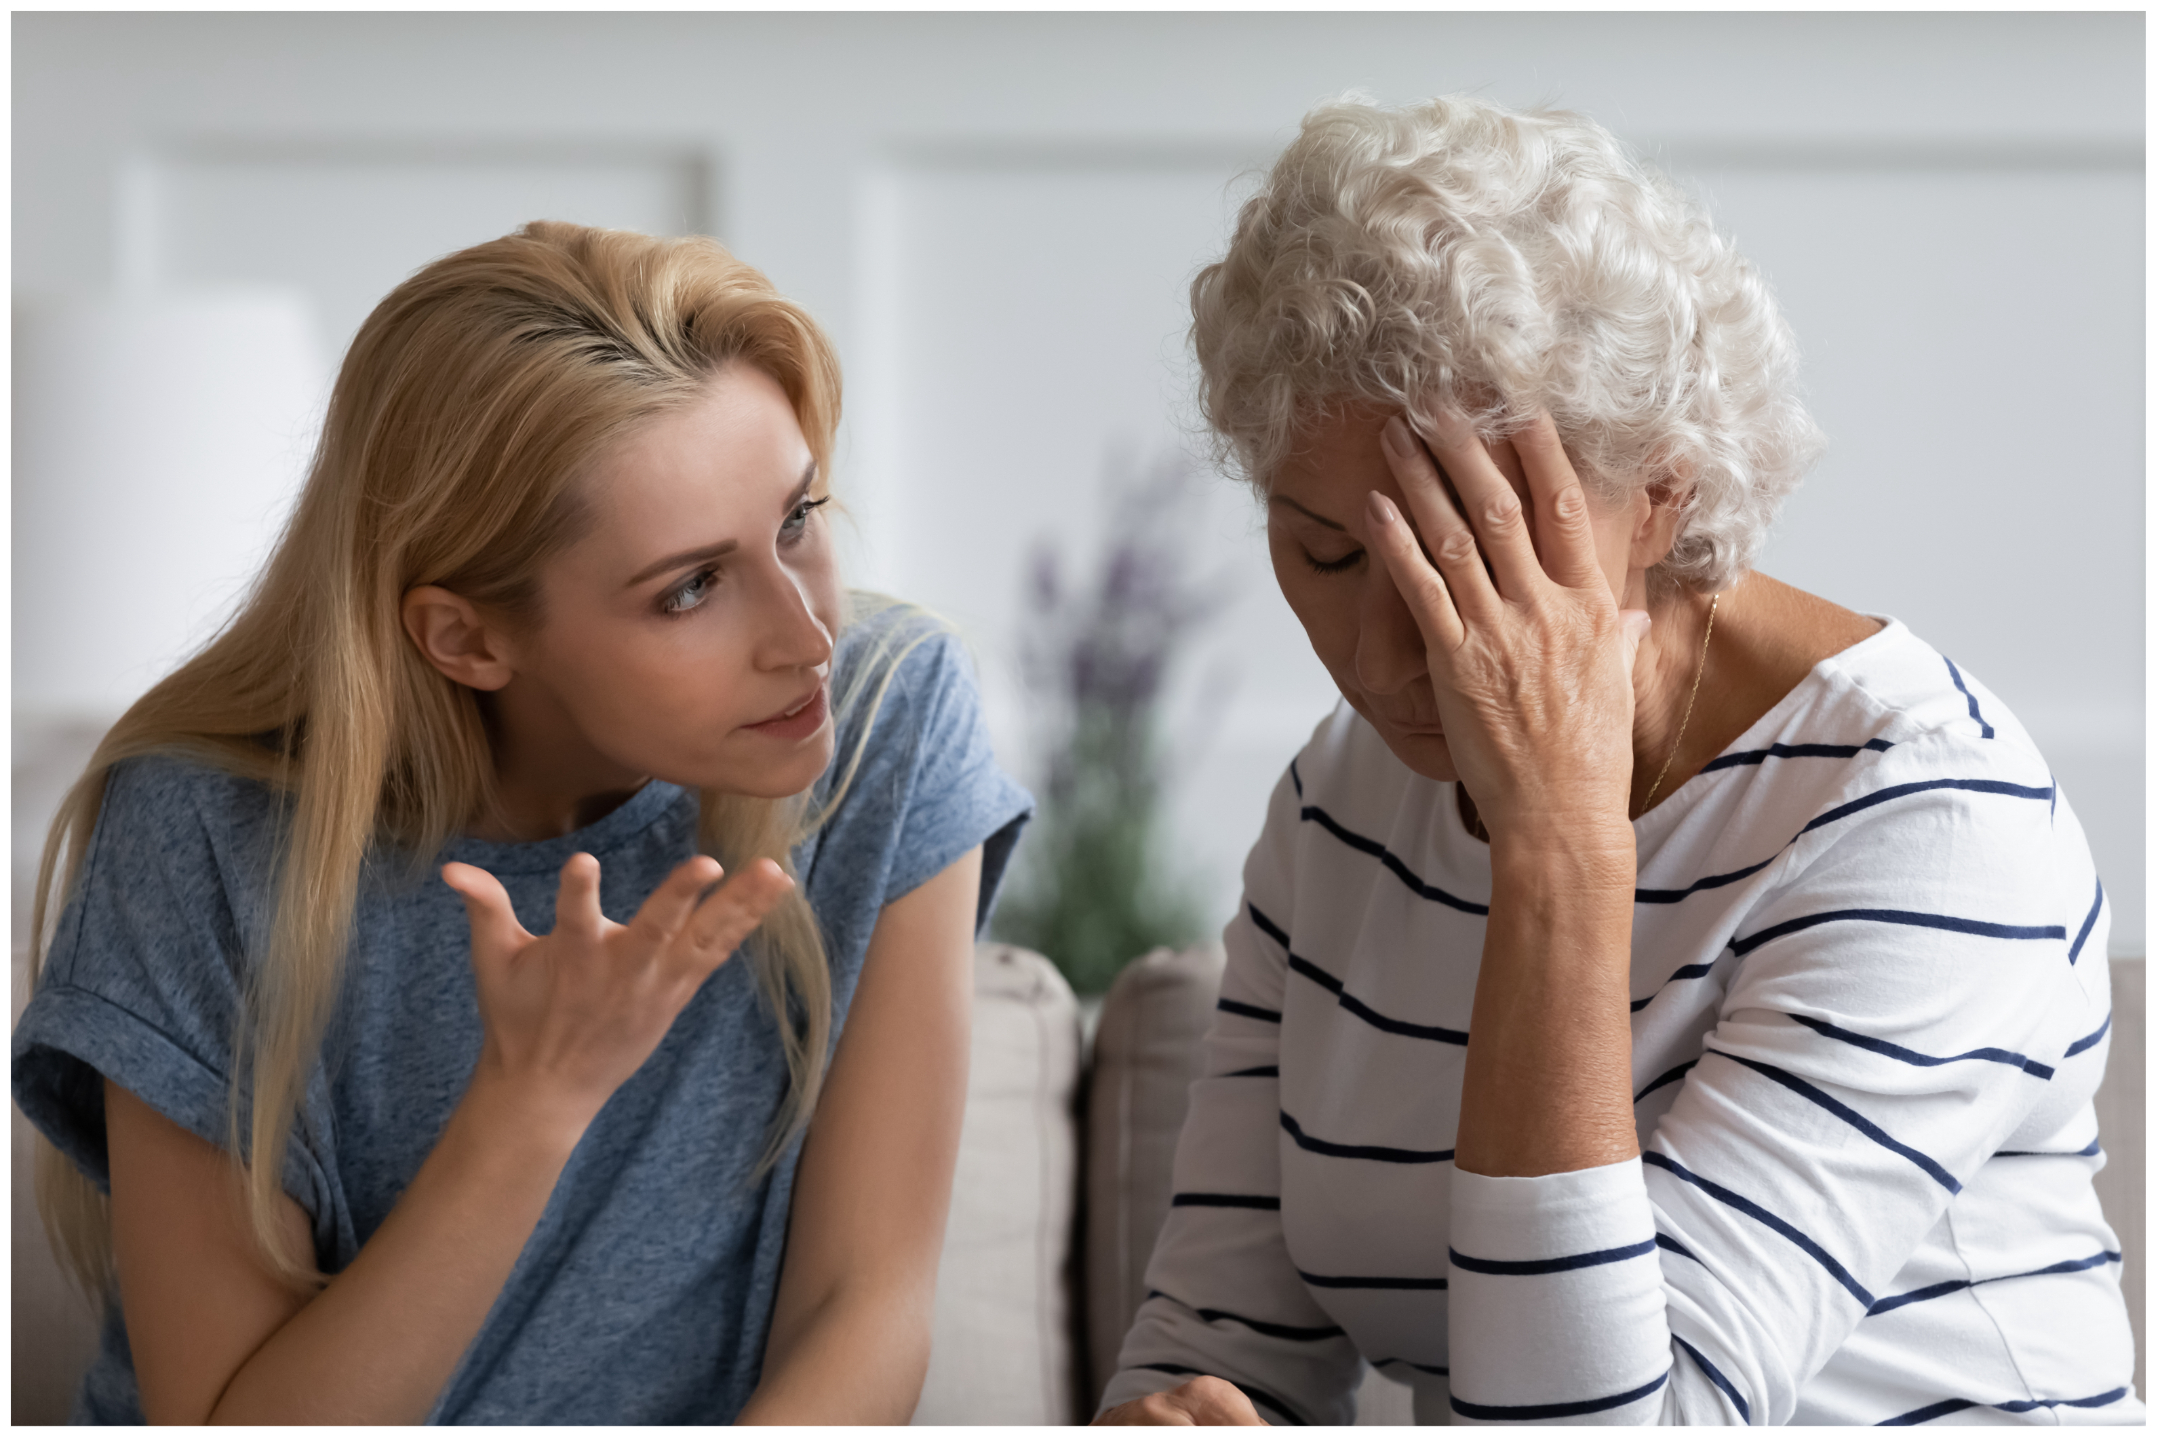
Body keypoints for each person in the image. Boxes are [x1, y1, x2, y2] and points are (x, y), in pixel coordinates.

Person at [1096, 96, 2139, 1426]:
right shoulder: (1346, 802)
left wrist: (1563, 851)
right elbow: (1219, 1340)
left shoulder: (1931, 822)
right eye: (1326, 554)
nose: (1376, 655)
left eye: (1466, 556)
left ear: (1665, 493)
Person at [12, 221, 1031, 1424]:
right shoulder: (202, 833)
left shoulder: (886, 718)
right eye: (692, 587)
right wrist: (532, 1104)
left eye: (798, 519)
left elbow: (861, 1312)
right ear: (467, 638)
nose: (808, 636)